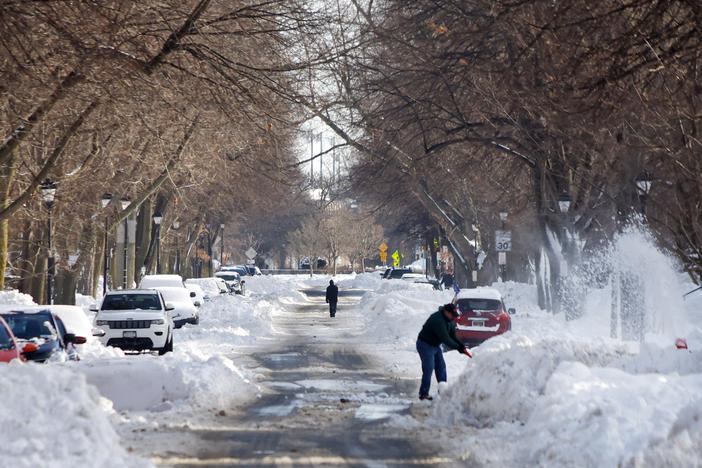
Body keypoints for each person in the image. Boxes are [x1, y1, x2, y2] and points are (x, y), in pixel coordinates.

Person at [416, 303, 470, 400]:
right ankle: (423, 394)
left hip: (435, 345)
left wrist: (461, 345)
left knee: (441, 367)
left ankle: (443, 392)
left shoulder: (448, 319)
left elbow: (453, 334)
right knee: (429, 368)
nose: (454, 318)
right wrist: (458, 348)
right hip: (425, 344)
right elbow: (446, 339)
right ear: (446, 312)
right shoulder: (438, 321)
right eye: (453, 315)